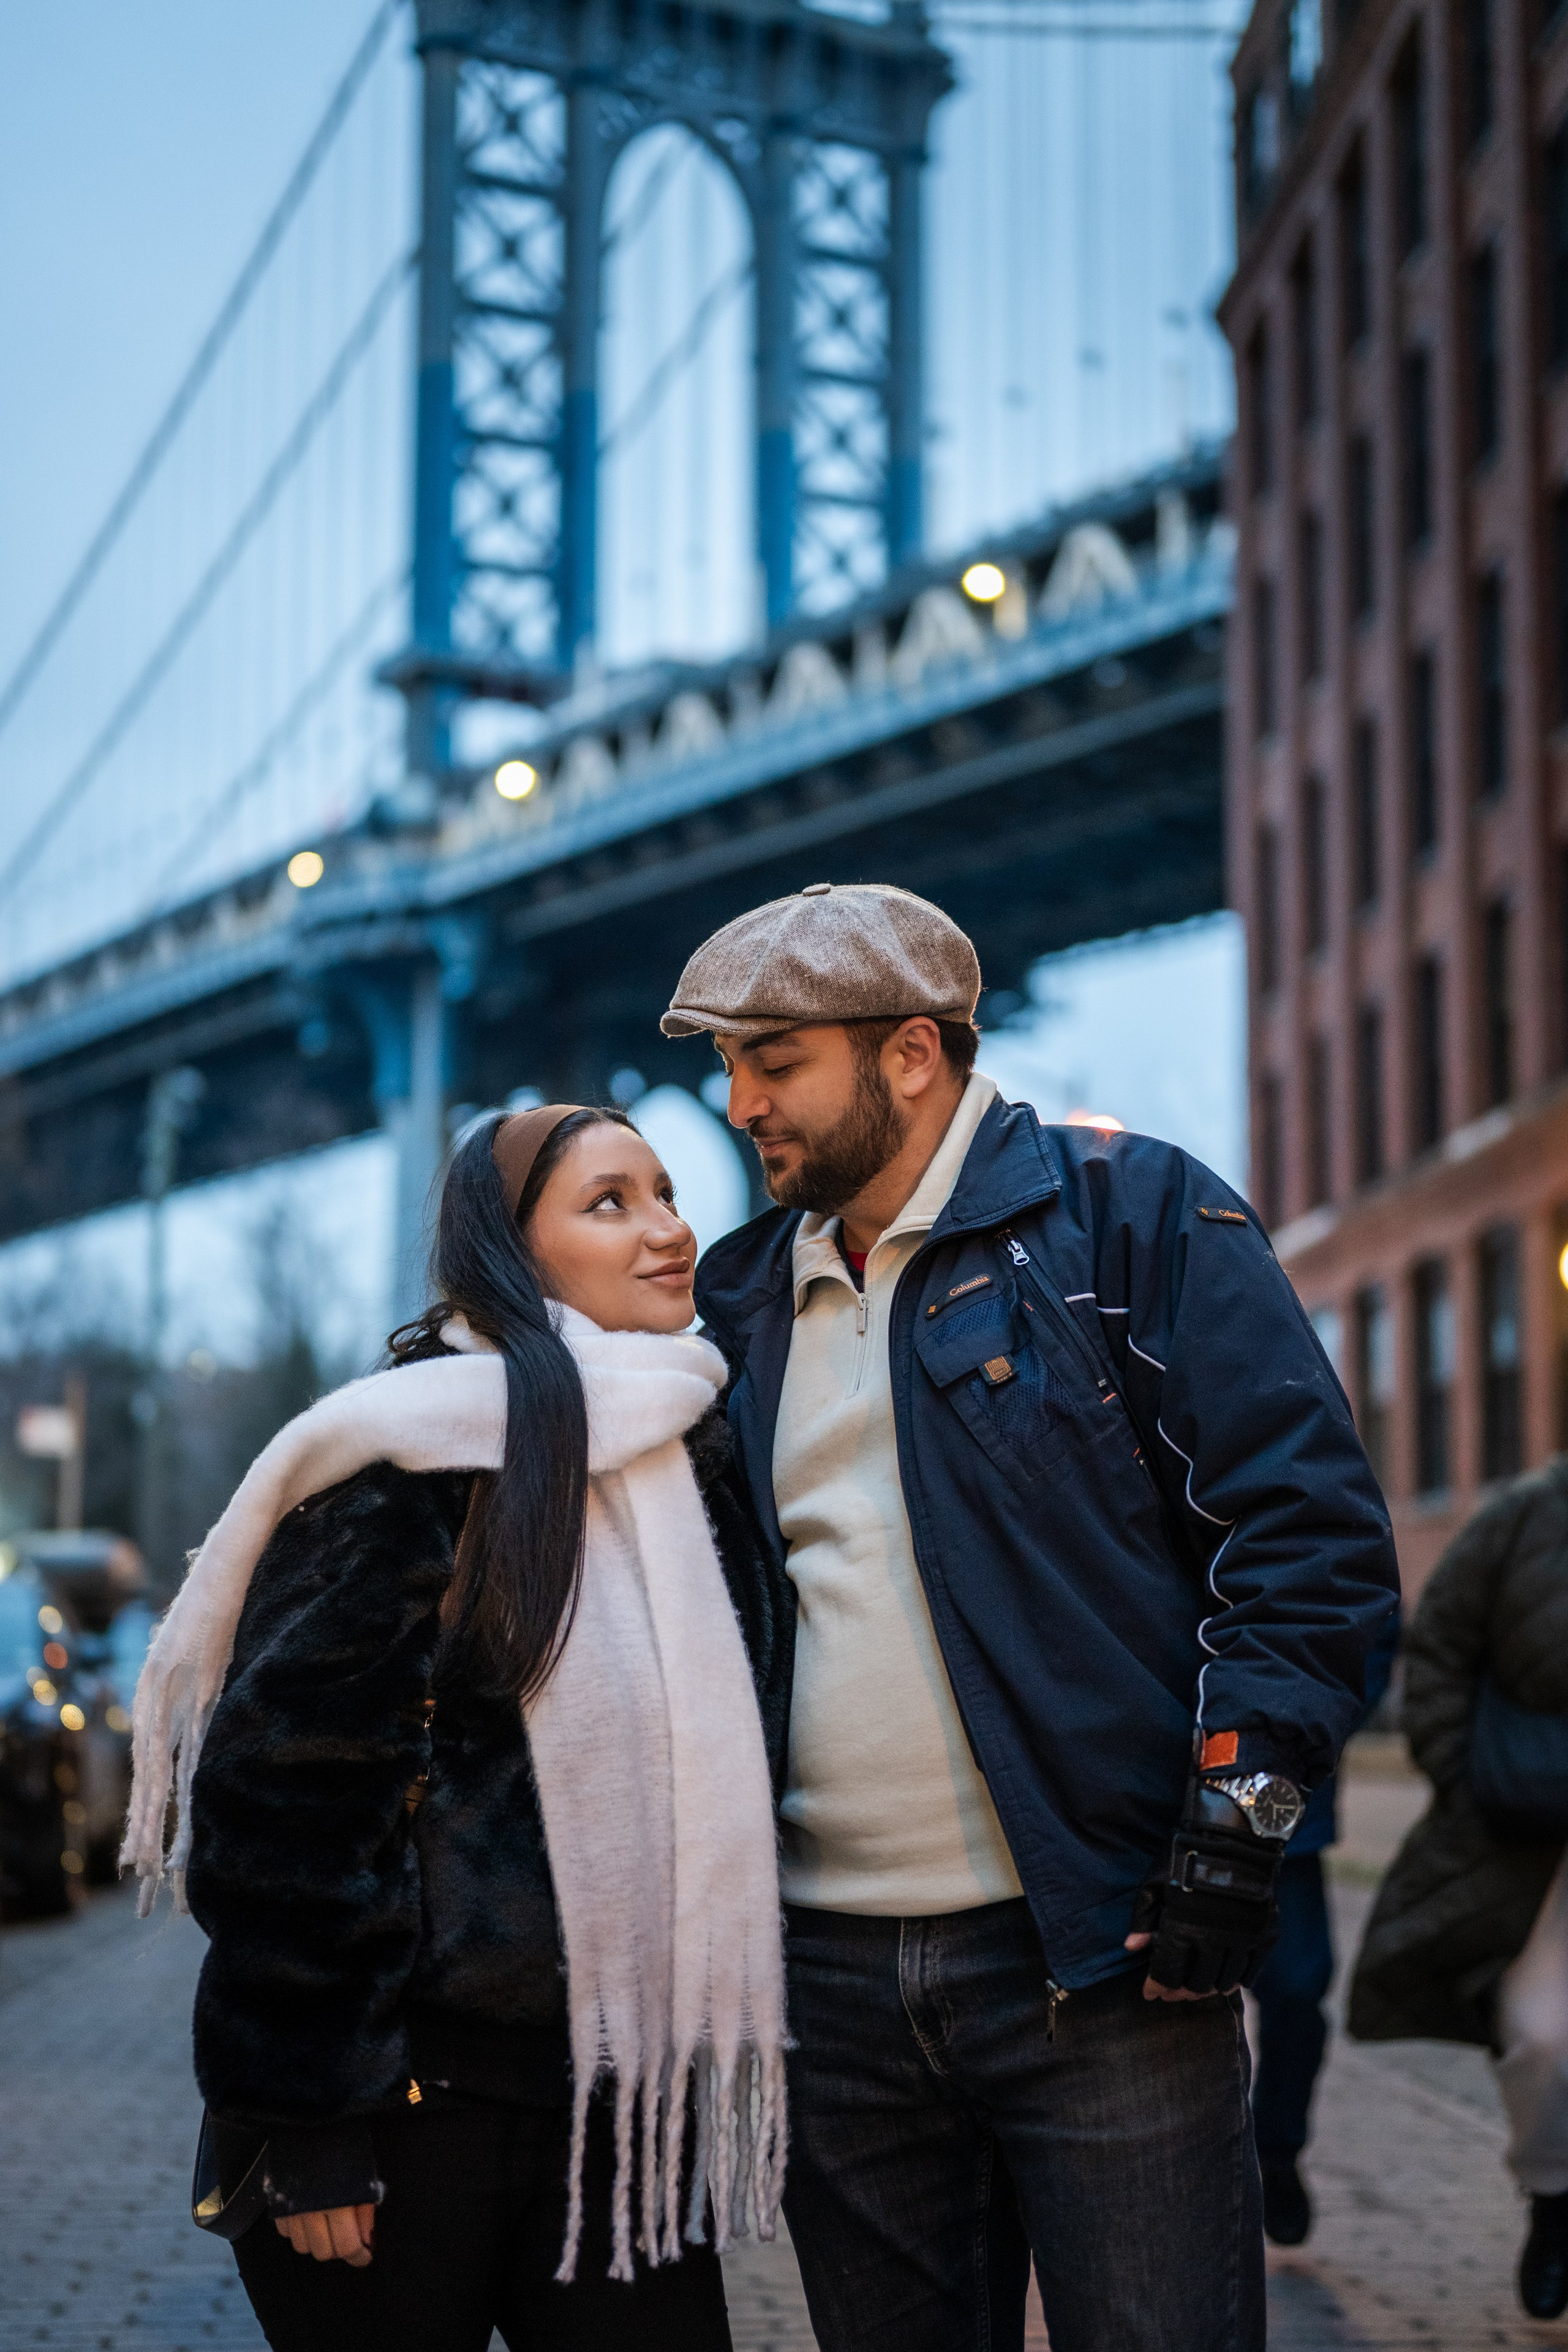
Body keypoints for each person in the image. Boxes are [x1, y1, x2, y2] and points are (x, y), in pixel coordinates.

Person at [659, 880, 1400, 2352]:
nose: (737, 1102)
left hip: (1099, 1960)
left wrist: (1231, 1829)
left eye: (774, 1059)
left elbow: (1307, 1542)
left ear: (912, 1053)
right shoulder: (734, 1300)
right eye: (726, 1064)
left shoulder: (1131, 1221)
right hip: (828, 1988)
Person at [121, 1104, 793, 2352]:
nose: (667, 1229)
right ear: (509, 1251)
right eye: (609, 1203)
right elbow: (286, 1799)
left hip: (617, 2112)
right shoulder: (405, 1463)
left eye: (664, 1191)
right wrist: (313, 2117)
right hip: (399, 2112)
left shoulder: (693, 1450)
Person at [1349, 1461, 1568, 2321]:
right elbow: (1437, 1644)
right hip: (1527, 1837)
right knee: (1542, 2035)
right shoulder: (1521, 1518)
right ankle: (1555, 2198)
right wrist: (1463, 1775)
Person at [1248, 1607, 1398, 2247]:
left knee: (1296, 1989)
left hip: (1285, 1790)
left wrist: (1309, 1734)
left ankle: (1275, 2151)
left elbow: (1371, 1622)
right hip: (1142, 1788)